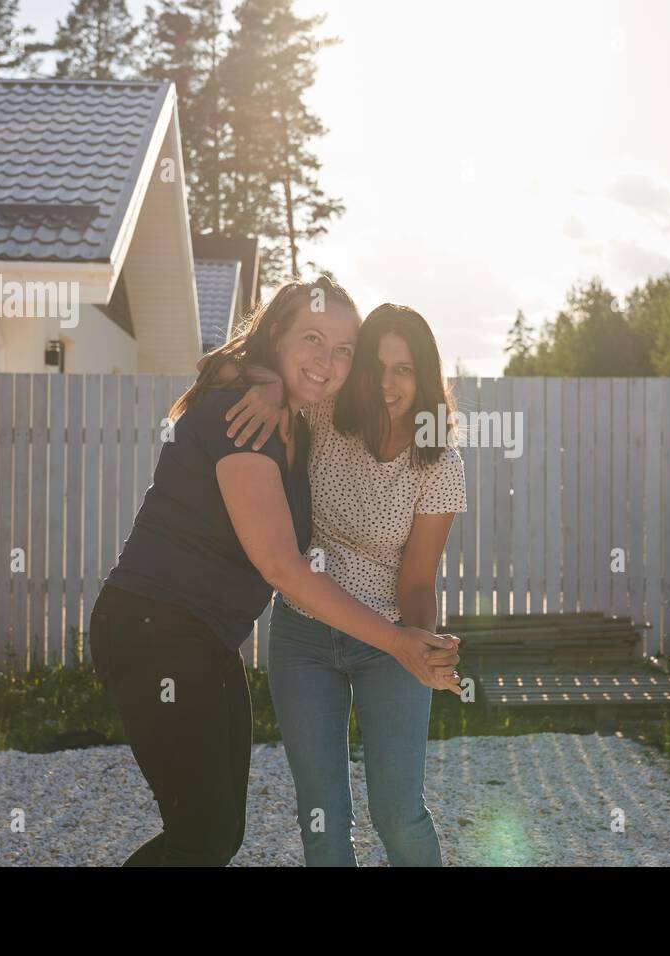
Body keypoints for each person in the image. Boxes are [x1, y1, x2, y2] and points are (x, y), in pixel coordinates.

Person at [89, 279, 461, 866]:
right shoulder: (281, 419)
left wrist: (418, 649)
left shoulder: (353, 433)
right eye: (316, 340)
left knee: (228, 831)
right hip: (195, 631)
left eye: (344, 350)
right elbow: (282, 565)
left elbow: (417, 579)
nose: (333, 362)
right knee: (244, 827)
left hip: (229, 640)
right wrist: (257, 379)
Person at [214, 303, 467, 866]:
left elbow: (418, 579)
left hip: (390, 642)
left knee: (398, 815)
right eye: (376, 364)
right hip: (303, 638)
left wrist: (422, 646)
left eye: (403, 368)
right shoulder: (324, 416)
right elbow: (228, 366)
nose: (386, 382)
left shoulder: (440, 463)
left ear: (425, 376)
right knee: (323, 820)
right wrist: (270, 388)